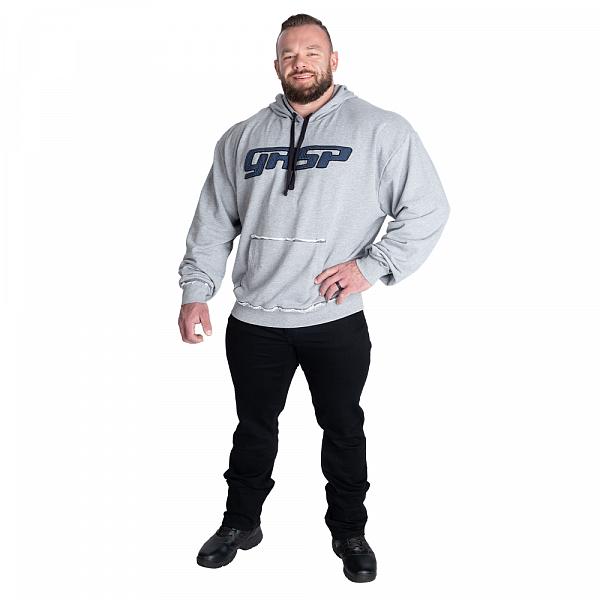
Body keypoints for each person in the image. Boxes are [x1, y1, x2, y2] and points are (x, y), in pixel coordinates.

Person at [177, 13, 450, 583]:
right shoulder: (242, 137)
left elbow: (427, 209)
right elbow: (213, 221)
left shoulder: (381, 130)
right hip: (254, 321)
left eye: (311, 52)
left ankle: (350, 531)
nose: (299, 62)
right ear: (276, 64)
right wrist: (196, 291)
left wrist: (371, 267)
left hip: (334, 320)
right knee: (253, 428)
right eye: (289, 54)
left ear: (333, 60)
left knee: (343, 428)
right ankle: (240, 523)